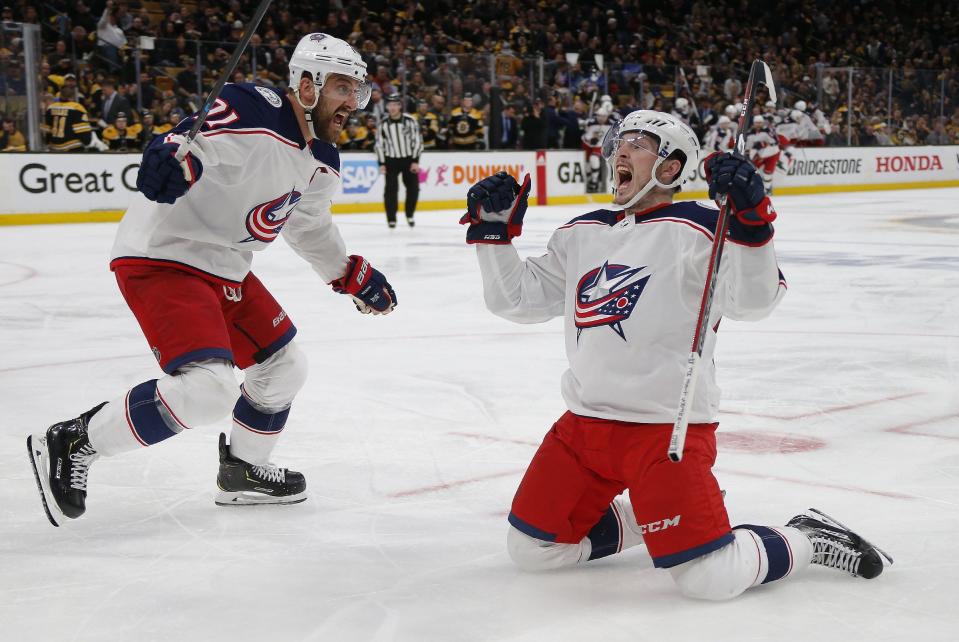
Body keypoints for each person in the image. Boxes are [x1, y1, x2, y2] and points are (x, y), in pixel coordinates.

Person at [458, 109, 892, 600]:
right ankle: (646, 521)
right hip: (582, 429)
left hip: (666, 433)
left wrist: (751, 224)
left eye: (638, 144)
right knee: (532, 551)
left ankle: (807, 538)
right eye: (619, 143)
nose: (620, 151)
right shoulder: (582, 232)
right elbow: (516, 300)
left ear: (671, 166)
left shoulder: (702, 227)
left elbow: (755, 302)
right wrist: (492, 235)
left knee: (711, 578)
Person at [27, 32, 398, 528]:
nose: (354, 102)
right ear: (306, 85)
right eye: (342, 88)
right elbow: (194, 142)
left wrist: (346, 273)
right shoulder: (255, 107)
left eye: (358, 91)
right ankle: (75, 439)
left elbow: (308, 227)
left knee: (285, 366)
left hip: (226, 267)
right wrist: (170, 159)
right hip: (165, 256)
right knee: (208, 390)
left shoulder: (322, 160)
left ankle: (243, 469)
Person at [375, 93, 423, 228]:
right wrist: (382, 163)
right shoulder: (383, 124)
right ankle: (391, 218)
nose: (392, 107)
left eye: (395, 104)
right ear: (386, 107)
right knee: (390, 190)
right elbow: (379, 144)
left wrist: (415, 160)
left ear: (400, 106)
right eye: (389, 105)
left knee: (413, 189)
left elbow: (418, 141)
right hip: (391, 160)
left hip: (408, 159)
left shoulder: (410, 121)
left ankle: (410, 214)